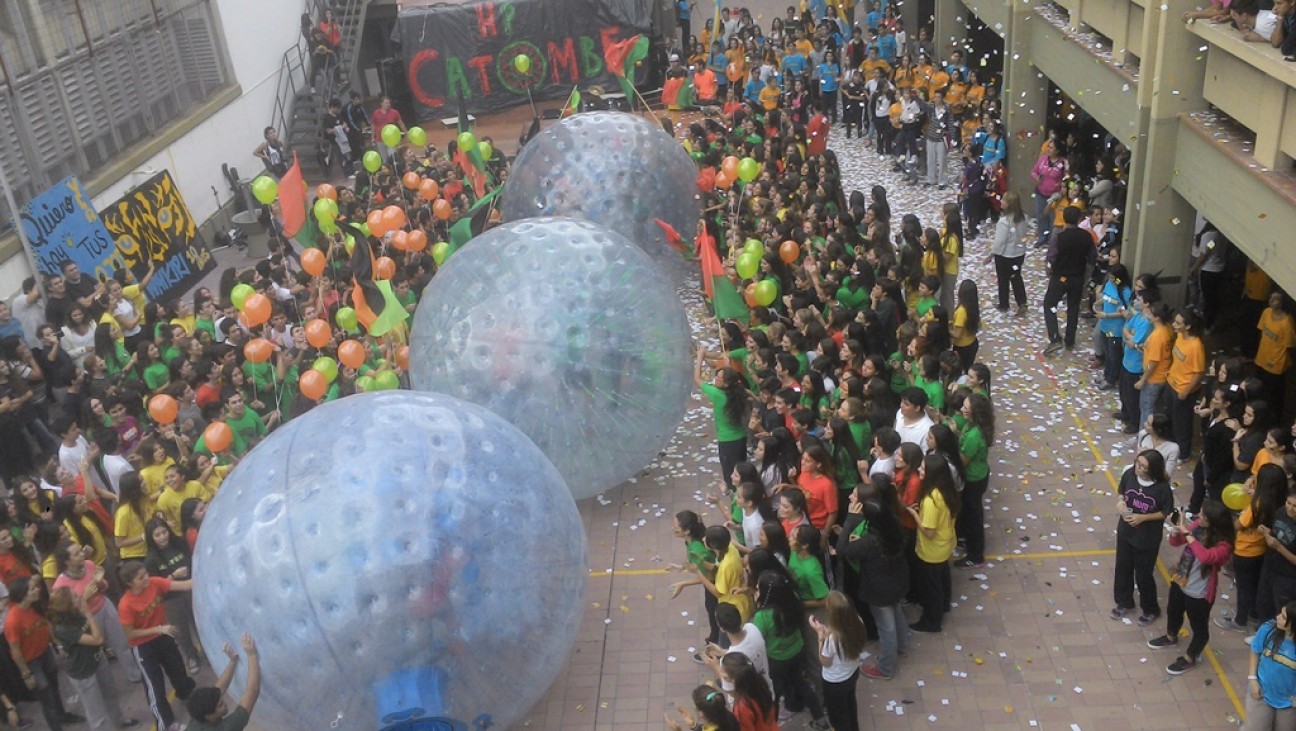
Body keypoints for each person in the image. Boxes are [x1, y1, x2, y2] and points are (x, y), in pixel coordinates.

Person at [1146, 500, 1235, 675]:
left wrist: (1187, 532)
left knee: (1199, 627)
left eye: (1203, 516)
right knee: (1173, 610)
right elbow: (1176, 542)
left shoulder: (1224, 545)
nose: (1198, 517)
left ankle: (1190, 657)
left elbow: (1205, 557)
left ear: (1214, 522)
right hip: (1181, 580)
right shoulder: (1197, 527)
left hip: (1199, 592)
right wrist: (1176, 531)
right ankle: (1171, 636)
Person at [117, 560, 196, 731]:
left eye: (145, 574)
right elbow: (130, 634)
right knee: (155, 686)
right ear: (130, 583)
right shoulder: (126, 605)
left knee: (178, 671)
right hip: (144, 646)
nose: (146, 579)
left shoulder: (154, 583)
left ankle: (187, 694)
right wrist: (159, 628)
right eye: (141, 577)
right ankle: (166, 724)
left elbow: (183, 585)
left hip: (163, 636)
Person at [47, 586, 139, 730]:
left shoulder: (77, 614)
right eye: (75, 597)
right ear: (68, 605)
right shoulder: (63, 628)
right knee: (96, 711)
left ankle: (120, 720)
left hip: (97, 659)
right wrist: (88, 614)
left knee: (110, 694)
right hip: (83, 672)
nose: (79, 597)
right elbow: (97, 639)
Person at [4, 578, 84, 731]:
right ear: (22, 595)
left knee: (53, 687)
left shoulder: (35, 607)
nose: (37, 590)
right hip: (31, 662)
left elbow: (46, 625)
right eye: (32, 589)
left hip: (45, 653)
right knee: (46, 696)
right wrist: (26, 674)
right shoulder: (12, 621)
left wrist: (56, 645)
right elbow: (15, 650)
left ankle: (62, 715)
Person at [1112, 450, 1173, 626]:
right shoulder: (1129, 474)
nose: (1137, 468)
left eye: (1142, 466)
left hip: (1147, 538)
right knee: (1123, 568)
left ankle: (1150, 609)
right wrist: (1121, 502)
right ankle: (1124, 601)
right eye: (1137, 463)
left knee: (1144, 575)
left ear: (1152, 469)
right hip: (1126, 531)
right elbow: (1122, 492)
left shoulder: (1162, 488)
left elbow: (1166, 512)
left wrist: (1143, 517)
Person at [906, 454, 959, 633]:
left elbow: (928, 532)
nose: (919, 470)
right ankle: (944, 605)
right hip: (946, 544)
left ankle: (931, 621)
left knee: (931, 588)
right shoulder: (946, 490)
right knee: (942, 579)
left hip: (932, 550)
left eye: (922, 468)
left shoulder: (930, 499)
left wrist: (915, 515)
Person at [1042, 206, 1096, 355]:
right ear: (1079, 219)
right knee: (1073, 307)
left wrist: (1050, 270)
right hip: (1077, 277)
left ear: (1064, 218)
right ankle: (1070, 339)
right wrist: (1086, 276)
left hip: (1060, 276)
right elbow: (1092, 259)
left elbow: (1051, 257)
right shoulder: (1087, 236)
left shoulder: (1059, 237)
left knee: (1049, 304)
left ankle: (1055, 337)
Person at [810, 591, 866, 731]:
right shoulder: (858, 621)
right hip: (852, 673)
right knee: (850, 706)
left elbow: (825, 661)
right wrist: (827, 631)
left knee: (838, 718)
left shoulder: (833, 639)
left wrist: (820, 636)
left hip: (835, 682)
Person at [185, 634, 261, 731]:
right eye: (220, 705)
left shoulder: (199, 714)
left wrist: (233, 661)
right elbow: (252, 692)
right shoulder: (226, 728)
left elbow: (219, 688)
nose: (225, 704)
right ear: (209, 716)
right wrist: (252, 655)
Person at [1243, 600, 1296, 731]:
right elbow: (1255, 651)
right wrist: (1252, 679)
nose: (1277, 617)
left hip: (1288, 703)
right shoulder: (1268, 629)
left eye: (1284, 617)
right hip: (1262, 693)